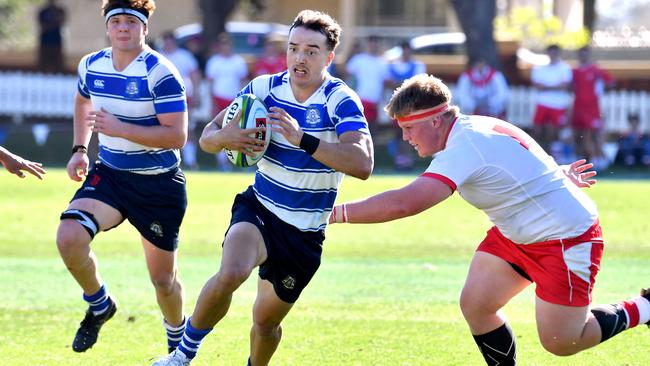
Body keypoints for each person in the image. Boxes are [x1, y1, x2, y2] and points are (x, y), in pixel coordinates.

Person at [328, 74, 650, 365]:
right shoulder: (471, 130)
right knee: (476, 305)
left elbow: (404, 203)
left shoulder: (465, 145)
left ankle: (645, 308)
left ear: (436, 120)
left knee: (562, 342)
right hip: (516, 234)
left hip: (566, 237)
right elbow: (522, 158)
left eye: (409, 128)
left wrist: (333, 213)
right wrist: (559, 176)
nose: (407, 138)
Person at [152, 9, 373, 366]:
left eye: (312, 51)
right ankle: (181, 356)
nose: (300, 58)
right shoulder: (263, 88)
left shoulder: (340, 100)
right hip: (260, 207)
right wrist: (228, 136)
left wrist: (304, 140)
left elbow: (363, 163)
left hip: (303, 232)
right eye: (294, 48)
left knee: (264, 322)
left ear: (329, 57)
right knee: (231, 272)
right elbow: (207, 138)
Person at [56, 0, 189, 354]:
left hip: (158, 184)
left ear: (145, 28)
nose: (124, 28)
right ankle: (100, 304)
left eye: (132, 21)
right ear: (108, 27)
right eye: (117, 22)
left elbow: (177, 136)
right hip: (111, 175)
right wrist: (80, 150)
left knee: (163, 281)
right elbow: (83, 102)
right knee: (69, 236)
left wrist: (119, 128)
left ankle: (177, 343)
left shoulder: (161, 72)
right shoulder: (91, 64)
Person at [204, 32, 249, 170]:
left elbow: (243, 82)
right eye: (223, 45)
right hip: (219, 99)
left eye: (228, 45)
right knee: (219, 130)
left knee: (240, 130)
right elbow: (210, 84)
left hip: (234, 100)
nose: (226, 47)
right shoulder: (214, 62)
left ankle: (242, 160)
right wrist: (211, 102)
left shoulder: (238, 61)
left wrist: (243, 102)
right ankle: (223, 163)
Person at [159, 30, 202, 170]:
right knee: (163, 129)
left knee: (187, 128)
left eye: (170, 42)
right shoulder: (159, 57)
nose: (168, 45)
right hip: (162, 99)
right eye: (166, 42)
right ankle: (167, 160)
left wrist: (196, 94)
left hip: (184, 97)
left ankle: (191, 161)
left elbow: (195, 76)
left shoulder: (185, 56)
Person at [571, 46, 615, 171]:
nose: (583, 57)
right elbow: (570, 86)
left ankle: (598, 161)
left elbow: (610, 82)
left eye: (585, 54)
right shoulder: (575, 71)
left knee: (590, 135)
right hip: (578, 108)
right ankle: (586, 160)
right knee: (579, 136)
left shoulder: (595, 70)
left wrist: (602, 89)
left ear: (588, 55)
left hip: (592, 109)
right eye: (581, 54)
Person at [385, 41, 426, 171]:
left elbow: (418, 85)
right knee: (399, 135)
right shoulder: (392, 66)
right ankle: (400, 161)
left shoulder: (418, 65)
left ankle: (407, 161)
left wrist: (398, 84)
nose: (406, 53)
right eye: (404, 50)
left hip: (412, 108)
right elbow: (388, 84)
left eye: (408, 50)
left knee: (411, 135)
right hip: (396, 107)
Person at [531, 44, 572, 154]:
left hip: (558, 104)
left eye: (555, 52)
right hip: (542, 103)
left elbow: (564, 86)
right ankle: (534, 152)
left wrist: (546, 87)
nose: (553, 55)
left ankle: (552, 153)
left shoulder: (564, 68)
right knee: (537, 129)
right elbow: (537, 85)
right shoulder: (540, 68)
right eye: (551, 52)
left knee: (555, 131)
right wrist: (555, 87)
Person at [345, 35, 389, 129]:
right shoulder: (358, 59)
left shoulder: (382, 62)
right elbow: (347, 75)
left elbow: (385, 83)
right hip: (359, 99)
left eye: (375, 44)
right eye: (371, 43)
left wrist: (383, 101)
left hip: (375, 101)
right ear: (368, 44)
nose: (373, 46)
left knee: (372, 129)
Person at [37, 0, 67, 73]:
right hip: (45, 41)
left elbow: (61, 21)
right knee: (43, 63)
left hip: (56, 40)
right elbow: (42, 24)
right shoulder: (43, 11)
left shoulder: (59, 11)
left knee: (58, 64)